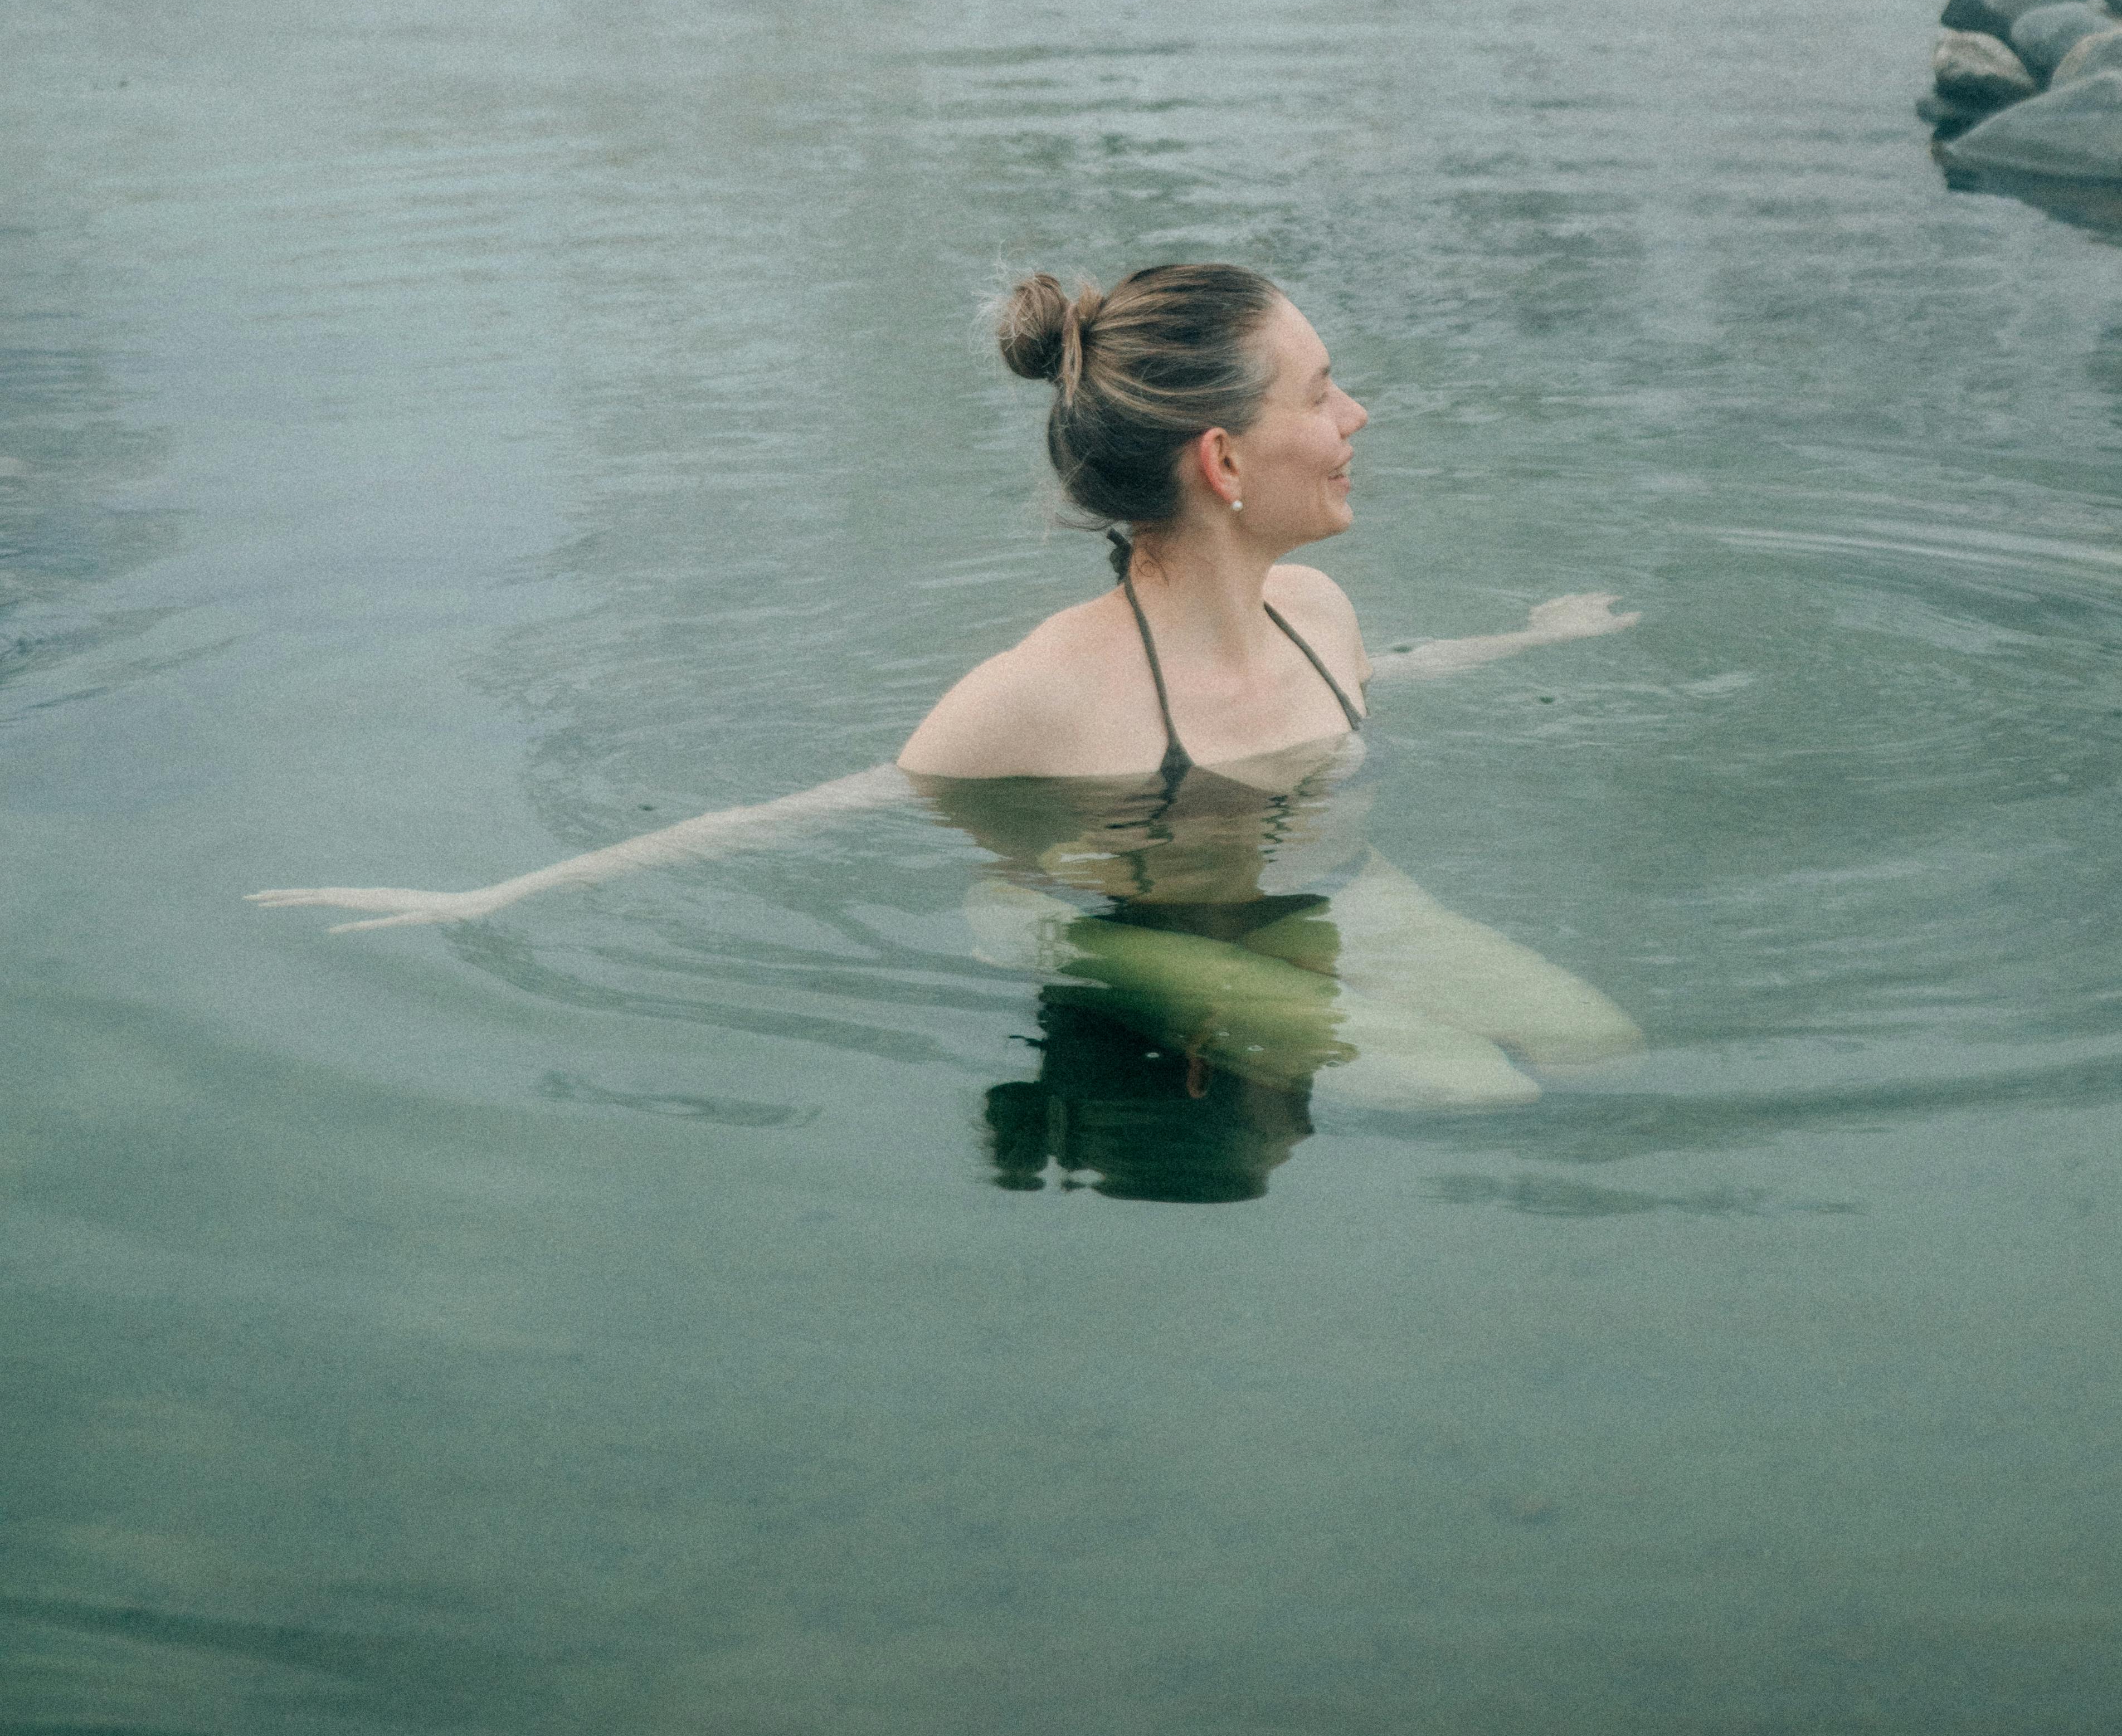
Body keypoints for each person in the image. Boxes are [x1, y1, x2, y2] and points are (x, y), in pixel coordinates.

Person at [252, 263, 1641, 1120]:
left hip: (1329, 901)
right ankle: (1093, 974)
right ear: (1223, 463)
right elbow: (798, 812)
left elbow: (1363, 678)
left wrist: (1526, 643)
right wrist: (486, 903)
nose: (1356, 419)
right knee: (1470, 1087)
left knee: (1594, 1046)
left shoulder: (1320, 611)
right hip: (1120, 932)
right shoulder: (1042, 699)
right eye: (1324, 393)